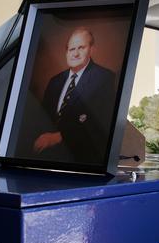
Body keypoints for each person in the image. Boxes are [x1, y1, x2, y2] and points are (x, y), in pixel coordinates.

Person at [33, 27, 116, 165]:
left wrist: (59, 137)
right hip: (48, 159)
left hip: (83, 161)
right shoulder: (55, 81)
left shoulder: (105, 78)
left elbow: (100, 125)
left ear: (91, 49)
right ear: (66, 52)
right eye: (71, 49)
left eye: (81, 48)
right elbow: (42, 119)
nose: (75, 54)